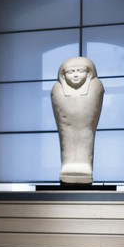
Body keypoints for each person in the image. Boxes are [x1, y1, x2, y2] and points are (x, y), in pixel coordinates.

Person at [51, 56, 104, 184]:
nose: (75, 75)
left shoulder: (96, 87)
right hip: (68, 133)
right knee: (67, 134)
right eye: (70, 72)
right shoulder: (57, 90)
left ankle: (84, 166)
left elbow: (89, 126)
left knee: (86, 131)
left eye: (80, 71)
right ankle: (68, 165)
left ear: (89, 72)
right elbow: (64, 126)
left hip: (85, 129)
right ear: (63, 75)